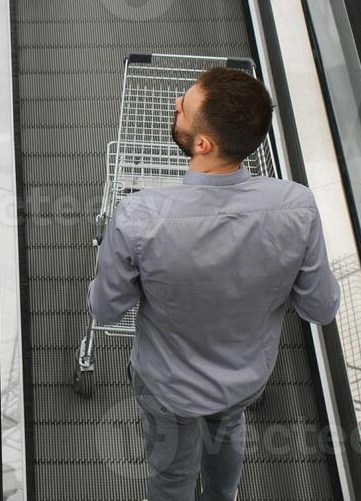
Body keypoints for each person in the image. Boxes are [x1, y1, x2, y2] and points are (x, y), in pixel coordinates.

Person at [88, 67, 341, 501]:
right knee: (227, 429)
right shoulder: (298, 206)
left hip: (168, 383)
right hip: (244, 377)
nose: (175, 106)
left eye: (182, 107)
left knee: (171, 478)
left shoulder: (139, 217)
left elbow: (105, 309)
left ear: (202, 144)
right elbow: (321, 307)